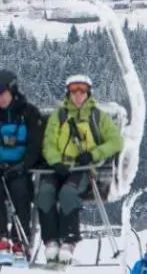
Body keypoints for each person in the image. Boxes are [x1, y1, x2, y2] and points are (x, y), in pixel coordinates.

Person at [37, 74, 124, 263]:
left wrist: (93, 154)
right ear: (68, 94)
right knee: (45, 193)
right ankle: (50, 240)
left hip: (81, 168)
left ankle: (69, 239)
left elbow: (115, 141)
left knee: (68, 193)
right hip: (57, 168)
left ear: (88, 93)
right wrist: (55, 161)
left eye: (82, 91)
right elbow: (49, 142)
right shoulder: (59, 116)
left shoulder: (97, 116)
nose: (78, 95)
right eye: (73, 91)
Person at [0, 69, 45, 263]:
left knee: (21, 191)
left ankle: (20, 241)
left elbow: (35, 145)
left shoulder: (29, 113)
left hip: (20, 168)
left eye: (2, 93)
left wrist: (23, 165)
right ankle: (1, 240)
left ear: (12, 90)